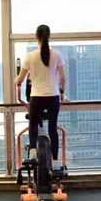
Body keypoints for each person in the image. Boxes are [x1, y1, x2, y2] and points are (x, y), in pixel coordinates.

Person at [14, 24, 67, 162]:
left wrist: (16, 81)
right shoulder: (57, 55)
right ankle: (55, 162)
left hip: (37, 97)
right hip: (53, 96)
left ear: (36, 37)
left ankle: (32, 153)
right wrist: (62, 93)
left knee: (33, 124)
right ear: (49, 36)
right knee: (53, 128)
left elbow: (20, 79)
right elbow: (63, 77)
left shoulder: (30, 57)